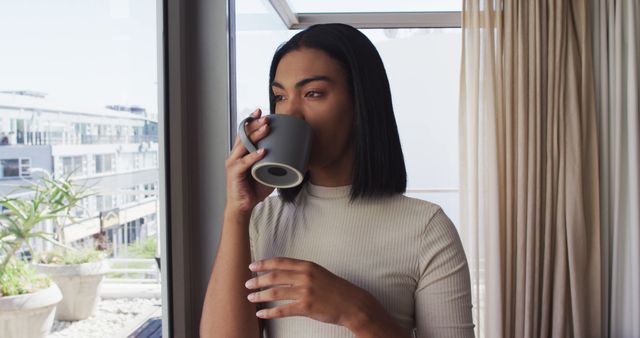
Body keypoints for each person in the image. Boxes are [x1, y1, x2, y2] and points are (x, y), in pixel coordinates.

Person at [201, 23, 474, 338]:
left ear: (361, 103)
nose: (291, 114)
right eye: (280, 96)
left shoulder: (427, 227)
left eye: (313, 93)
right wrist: (237, 212)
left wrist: (357, 312)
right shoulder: (262, 220)